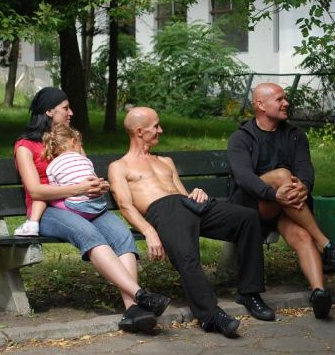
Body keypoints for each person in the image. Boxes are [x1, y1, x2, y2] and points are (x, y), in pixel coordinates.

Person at [108, 106, 275, 340]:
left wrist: (195, 193)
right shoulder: (120, 166)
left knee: (248, 218)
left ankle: (249, 292)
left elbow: (181, 193)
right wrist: (149, 232)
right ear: (139, 131)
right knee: (187, 256)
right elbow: (125, 205)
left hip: (189, 206)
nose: (160, 130)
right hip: (163, 211)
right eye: (155, 126)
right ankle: (210, 315)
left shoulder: (165, 161)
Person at [14, 87, 170, 334]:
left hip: (85, 205)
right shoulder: (25, 146)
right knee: (90, 235)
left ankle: (132, 310)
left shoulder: (72, 140)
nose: (71, 113)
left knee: (122, 236)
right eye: (65, 108)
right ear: (49, 111)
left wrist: (98, 185)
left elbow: (86, 174)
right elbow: (35, 191)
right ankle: (141, 296)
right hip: (48, 211)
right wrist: (78, 189)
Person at [227, 82, 335, 319]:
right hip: (252, 205)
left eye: (285, 98)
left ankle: (319, 292)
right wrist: (273, 194)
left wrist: (304, 187)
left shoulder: (295, 135)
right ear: (260, 105)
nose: (286, 103)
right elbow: (244, 177)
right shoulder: (241, 138)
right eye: (279, 99)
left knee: (302, 235)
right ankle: (326, 245)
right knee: (282, 175)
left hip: (287, 206)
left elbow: (305, 168)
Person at [14, 124, 108, 236]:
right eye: (80, 144)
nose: (81, 147)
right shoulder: (85, 160)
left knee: (45, 195)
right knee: (43, 194)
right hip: (97, 206)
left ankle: (32, 224)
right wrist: (96, 186)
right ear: (73, 142)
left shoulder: (52, 166)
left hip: (74, 207)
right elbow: (91, 178)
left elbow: (54, 187)